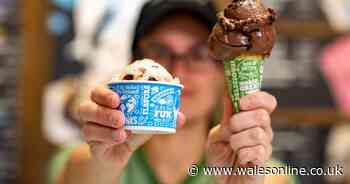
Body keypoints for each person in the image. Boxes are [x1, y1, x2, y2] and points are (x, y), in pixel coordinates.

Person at [56, 1, 291, 184]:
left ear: (222, 73)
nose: (179, 71)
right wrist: (102, 165)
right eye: (160, 51)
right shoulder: (87, 158)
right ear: (132, 63)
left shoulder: (264, 174)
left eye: (198, 55)